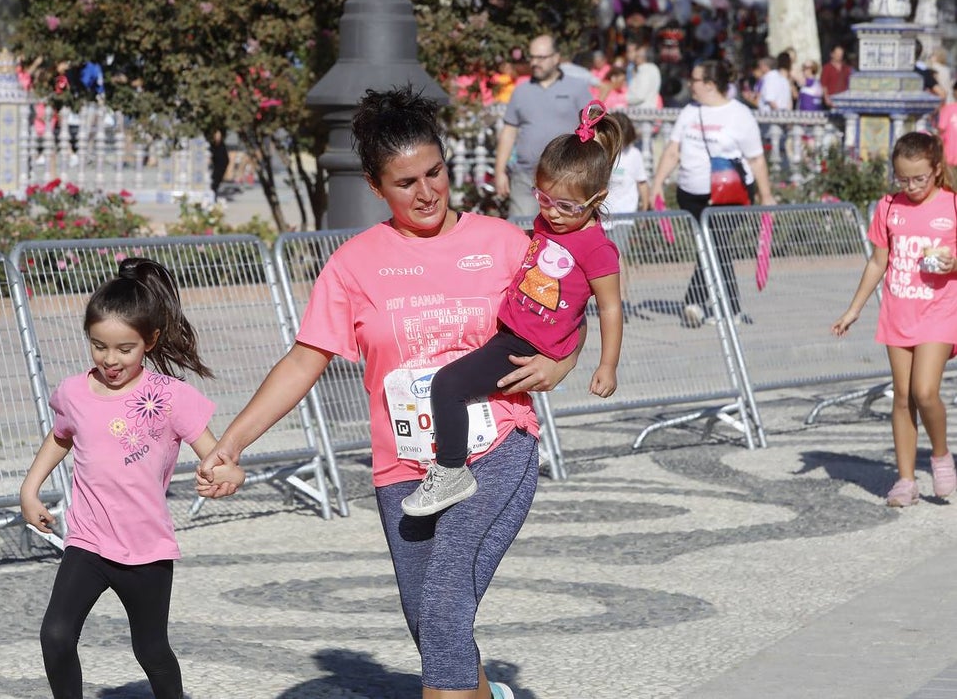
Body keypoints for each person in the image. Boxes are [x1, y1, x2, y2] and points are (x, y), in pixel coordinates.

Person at [198, 85, 581, 699]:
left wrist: (560, 363)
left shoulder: (506, 246)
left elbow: (570, 311)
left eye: (435, 173)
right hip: (403, 469)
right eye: (406, 183)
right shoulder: (353, 264)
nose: (427, 192)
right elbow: (304, 360)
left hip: (495, 448)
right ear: (377, 188)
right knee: (431, 626)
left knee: (445, 608)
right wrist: (232, 444)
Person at [19, 257, 245, 699]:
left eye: (125, 349)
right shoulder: (73, 392)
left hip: (146, 549)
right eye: (99, 346)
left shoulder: (169, 397)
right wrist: (29, 489)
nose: (110, 359)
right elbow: (60, 436)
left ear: (150, 340)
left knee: (152, 650)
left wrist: (229, 473)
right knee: (56, 636)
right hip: (88, 542)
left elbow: (217, 456)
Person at [404, 102, 624, 517]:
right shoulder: (548, 226)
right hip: (515, 332)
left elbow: (609, 308)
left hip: (524, 342)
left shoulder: (598, 248)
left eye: (567, 207)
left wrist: (606, 365)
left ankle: (451, 471)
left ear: (598, 199)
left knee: (447, 387)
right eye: (544, 199)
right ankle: (500, 460)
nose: (552, 214)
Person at [831, 132, 957, 507]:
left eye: (919, 178)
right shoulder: (888, 207)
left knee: (924, 391)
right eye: (903, 179)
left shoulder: (951, 206)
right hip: (898, 311)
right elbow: (877, 261)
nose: (912, 186)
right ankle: (905, 481)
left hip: (939, 310)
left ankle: (939, 455)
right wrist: (853, 309)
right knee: (902, 397)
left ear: (936, 170)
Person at [650, 59, 777, 327]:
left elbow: (756, 159)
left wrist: (767, 196)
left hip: (730, 194)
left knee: (714, 245)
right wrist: (657, 184)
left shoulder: (740, 115)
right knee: (714, 248)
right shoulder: (689, 112)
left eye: (694, 79)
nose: (689, 84)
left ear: (709, 85)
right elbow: (673, 150)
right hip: (690, 194)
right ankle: (731, 309)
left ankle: (693, 302)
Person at [494, 34, 594, 217]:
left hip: (565, 176)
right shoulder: (520, 91)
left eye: (541, 57)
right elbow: (508, 132)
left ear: (556, 57)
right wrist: (499, 171)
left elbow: (593, 126)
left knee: (561, 234)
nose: (534, 62)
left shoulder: (577, 88)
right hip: (526, 177)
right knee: (522, 231)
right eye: (532, 57)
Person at [602, 111, 650, 255]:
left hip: (624, 213)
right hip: (602, 213)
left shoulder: (634, 154)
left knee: (617, 253)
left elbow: (642, 182)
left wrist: (644, 209)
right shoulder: (601, 152)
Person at [624, 41, 662, 109]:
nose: (635, 58)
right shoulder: (653, 68)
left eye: (637, 56)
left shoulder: (645, 70)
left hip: (641, 112)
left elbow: (639, 96)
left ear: (642, 57)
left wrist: (623, 98)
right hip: (649, 110)